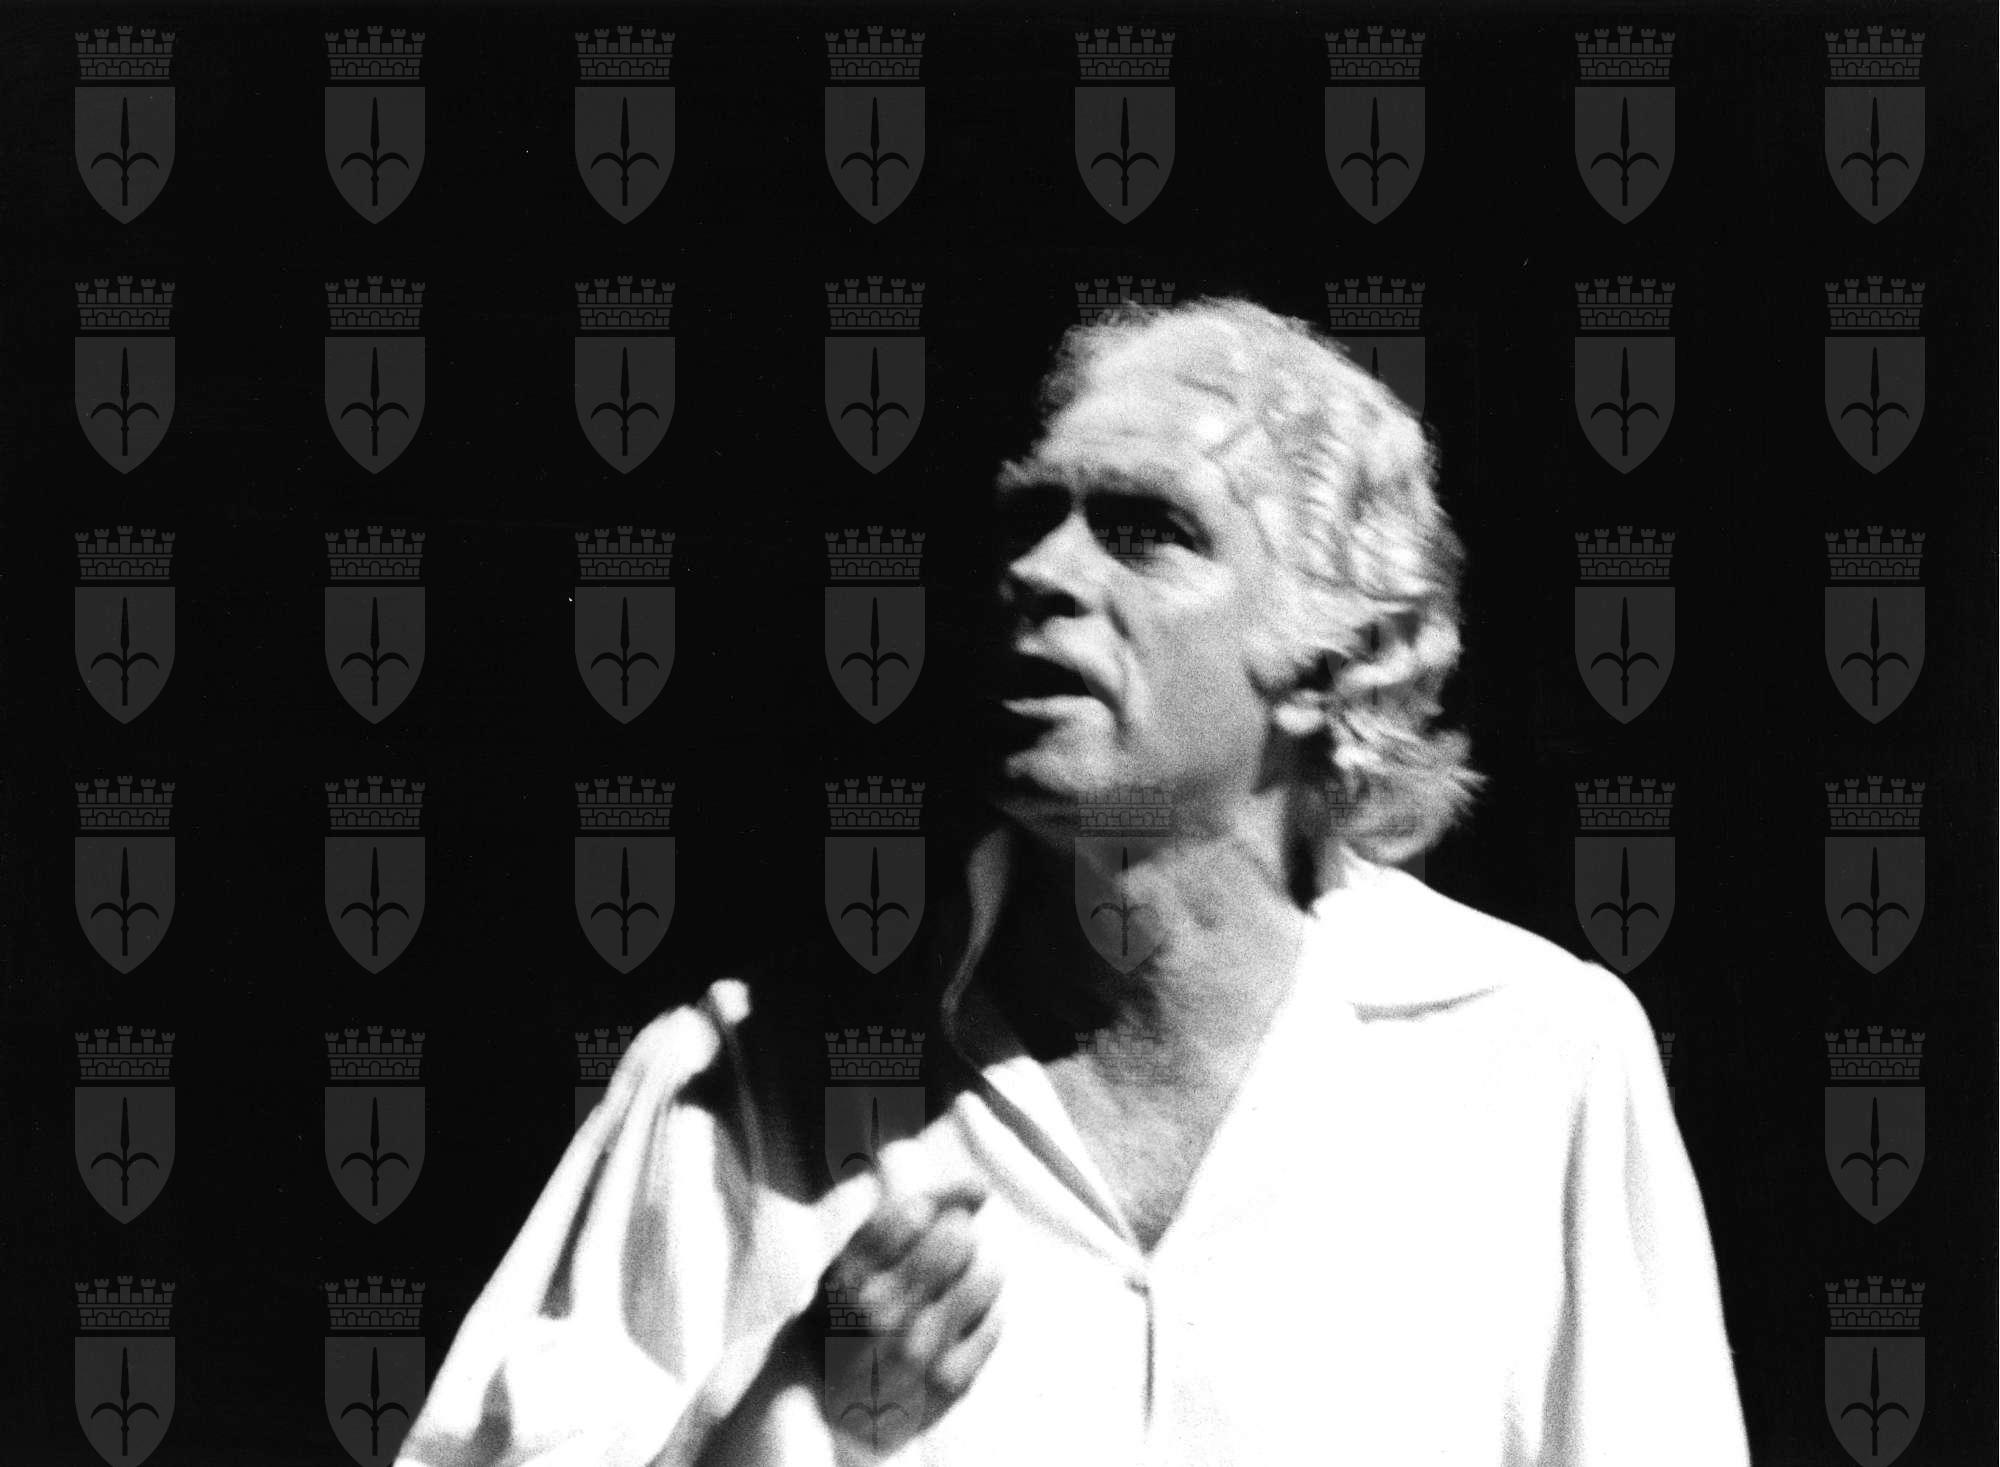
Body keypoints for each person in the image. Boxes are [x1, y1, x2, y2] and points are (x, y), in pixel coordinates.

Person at [395, 297, 1750, 1466]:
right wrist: (790, 1414)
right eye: (1028, 520)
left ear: (1335, 656)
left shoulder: (1537, 1059)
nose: (1040, 573)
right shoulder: (741, 1083)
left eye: (1145, 530)